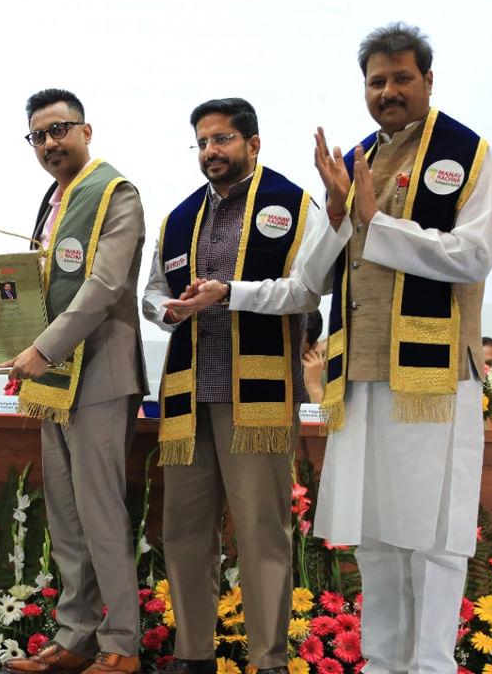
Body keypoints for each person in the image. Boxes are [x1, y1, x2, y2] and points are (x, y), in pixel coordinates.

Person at [309, 23, 492, 674]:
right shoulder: (359, 158)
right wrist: (340, 216)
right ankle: (383, 664)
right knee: (375, 536)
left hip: (435, 379)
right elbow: (317, 273)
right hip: (361, 374)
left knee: (432, 537)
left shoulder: (468, 154)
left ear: (428, 79)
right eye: (376, 81)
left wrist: (376, 222)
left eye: (401, 78)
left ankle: (430, 668)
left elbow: (472, 257)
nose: (388, 91)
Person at [142, 97, 325, 674]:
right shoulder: (178, 217)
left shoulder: (295, 204)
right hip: (189, 396)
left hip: (260, 397)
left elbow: (307, 291)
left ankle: (268, 661)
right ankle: (193, 656)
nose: (209, 152)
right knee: (185, 534)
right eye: (201, 142)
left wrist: (230, 291)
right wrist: (165, 312)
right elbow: (150, 292)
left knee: (261, 534)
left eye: (221, 140)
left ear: (253, 142)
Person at [1, 89, 146, 674]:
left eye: (59, 130)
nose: (49, 143)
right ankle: (75, 637)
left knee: (101, 514)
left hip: (101, 375)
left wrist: (42, 347)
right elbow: (41, 288)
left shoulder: (117, 193)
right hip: (53, 379)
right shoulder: (53, 199)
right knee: (66, 515)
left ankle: (121, 646)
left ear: (87, 130)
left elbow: (104, 287)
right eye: (38, 135)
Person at [303, 310, 327, 404]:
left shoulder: (316, 371)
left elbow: (327, 418)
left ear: (312, 347)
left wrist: (314, 386)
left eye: (295, 348)